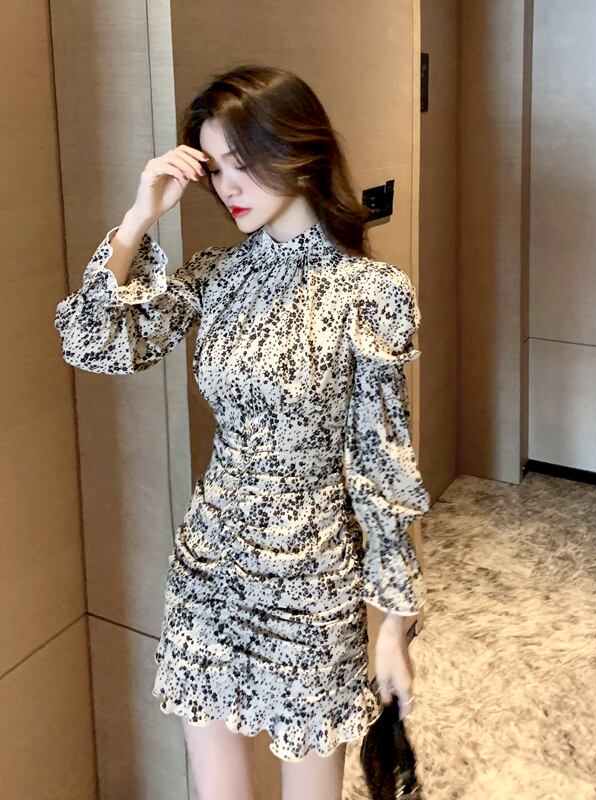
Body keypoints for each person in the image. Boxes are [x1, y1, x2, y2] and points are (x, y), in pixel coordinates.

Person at [53, 64, 430, 800]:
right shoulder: (218, 275)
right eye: (214, 169)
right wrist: (137, 218)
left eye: (242, 163)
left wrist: (394, 622)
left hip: (311, 581)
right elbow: (92, 342)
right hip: (208, 569)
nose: (228, 187)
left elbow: (383, 467)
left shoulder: (371, 293)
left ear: (299, 151)